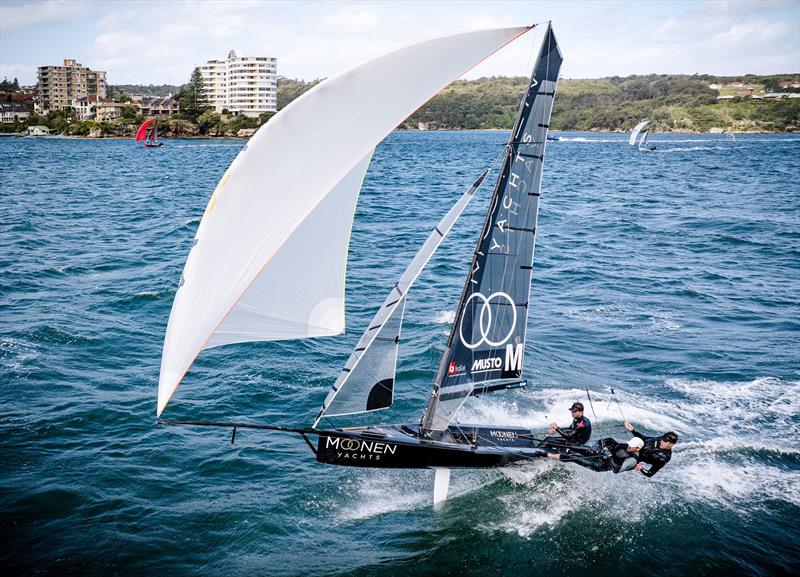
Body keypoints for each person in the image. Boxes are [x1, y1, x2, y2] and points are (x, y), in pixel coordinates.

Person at [546, 437, 644, 473]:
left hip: (600, 465)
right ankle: (548, 443)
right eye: (630, 444)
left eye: (632, 446)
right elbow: (608, 440)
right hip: (599, 454)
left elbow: (616, 470)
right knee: (574, 446)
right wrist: (598, 447)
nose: (629, 446)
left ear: (637, 449)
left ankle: (547, 454)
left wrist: (610, 457)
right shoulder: (626, 445)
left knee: (574, 458)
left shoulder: (633, 460)